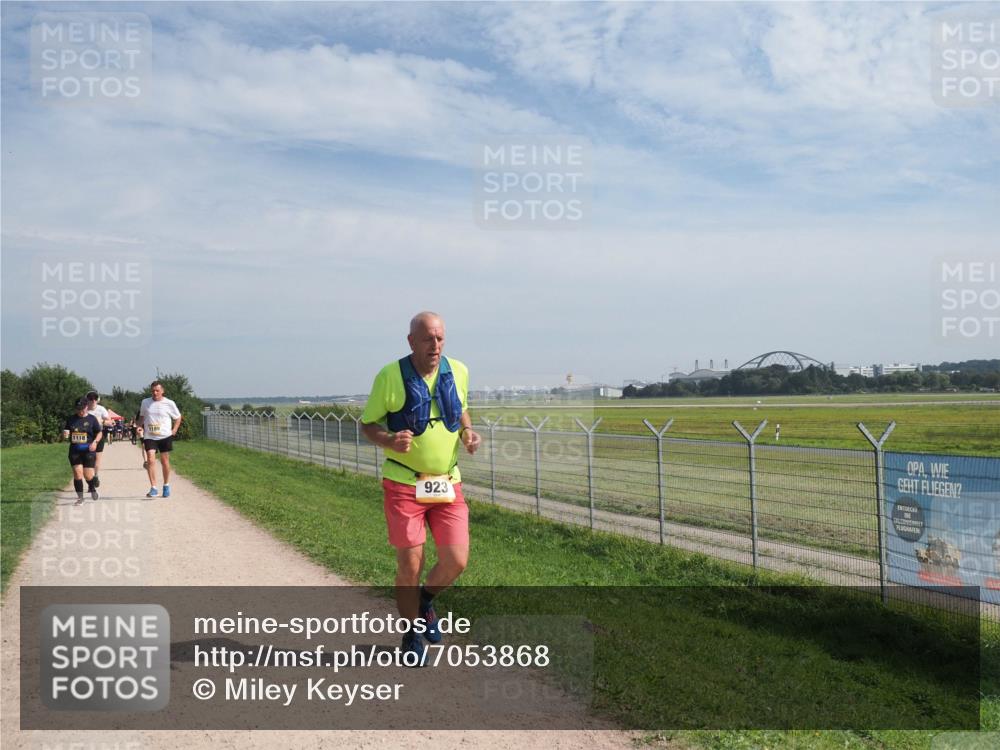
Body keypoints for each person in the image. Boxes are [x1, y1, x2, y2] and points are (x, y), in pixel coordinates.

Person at [360, 312, 481, 663]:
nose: (435, 345)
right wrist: (389, 440)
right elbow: (368, 424)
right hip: (404, 484)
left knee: (456, 560)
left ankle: (425, 600)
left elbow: (461, 409)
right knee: (410, 565)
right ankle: (411, 635)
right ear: (411, 341)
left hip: (447, 484)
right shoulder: (390, 376)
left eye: (440, 338)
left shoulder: (459, 370)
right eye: (428, 338)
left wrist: (467, 432)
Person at [139, 380, 183, 498]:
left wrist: (174, 430)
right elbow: (142, 417)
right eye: (153, 391)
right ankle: (153, 487)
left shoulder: (169, 403)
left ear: (162, 391)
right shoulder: (145, 402)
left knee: (164, 461)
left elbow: (178, 417)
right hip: (150, 436)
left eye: (157, 390)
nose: (155, 393)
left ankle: (166, 485)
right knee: (150, 459)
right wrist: (138, 426)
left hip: (164, 436)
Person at [62, 397, 103, 505]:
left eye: (81, 408)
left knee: (88, 475)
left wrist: (95, 442)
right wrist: (65, 434)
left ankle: (92, 488)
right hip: (75, 450)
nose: (80, 411)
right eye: (77, 408)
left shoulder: (92, 419)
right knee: (77, 473)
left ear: (86, 407)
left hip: (88, 450)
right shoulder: (71, 419)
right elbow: (66, 431)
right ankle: (80, 498)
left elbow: (99, 432)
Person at [85, 391, 114, 489]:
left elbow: (110, 422)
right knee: (88, 459)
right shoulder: (85, 409)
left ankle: (95, 476)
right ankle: (90, 480)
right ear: (87, 400)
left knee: (97, 458)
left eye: (95, 398)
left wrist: (101, 421)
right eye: (90, 398)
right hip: (87, 437)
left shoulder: (101, 409)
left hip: (99, 435)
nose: (93, 400)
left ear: (97, 400)